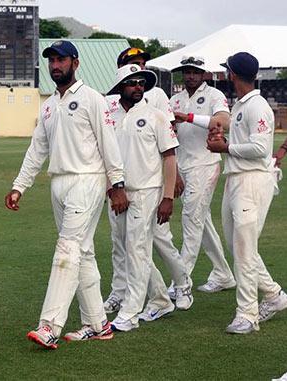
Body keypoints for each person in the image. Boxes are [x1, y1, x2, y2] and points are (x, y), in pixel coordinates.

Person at [5, 40, 128, 349]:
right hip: (59, 183)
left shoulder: (92, 99)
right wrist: (20, 185)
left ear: (75, 62)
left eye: (61, 60)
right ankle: (97, 324)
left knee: (67, 250)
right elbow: (38, 150)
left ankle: (49, 325)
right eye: (52, 61)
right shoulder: (48, 106)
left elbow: (108, 143)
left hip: (87, 181)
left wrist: (117, 185)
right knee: (82, 253)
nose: (55, 65)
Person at [104, 47, 193, 312]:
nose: (140, 72)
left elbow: (168, 141)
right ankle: (122, 291)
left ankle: (182, 283)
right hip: (121, 187)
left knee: (159, 242)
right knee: (123, 245)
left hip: (150, 185)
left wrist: (172, 182)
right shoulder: (112, 104)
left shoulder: (156, 97)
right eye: (133, 66)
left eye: (143, 66)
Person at [207, 52, 287, 334]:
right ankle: (274, 295)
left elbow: (261, 149)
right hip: (237, 178)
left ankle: (247, 314)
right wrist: (225, 142)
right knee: (238, 245)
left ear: (232, 74)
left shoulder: (258, 106)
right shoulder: (242, 105)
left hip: (252, 180)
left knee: (242, 249)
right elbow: (244, 142)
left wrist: (225, 148)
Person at [169, 56, 236, 293]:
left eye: (195, 72)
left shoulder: (214, 96)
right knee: (201, 221)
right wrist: (174, 172)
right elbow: (170, 137)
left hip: (205, 164)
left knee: (191, 219)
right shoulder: (175, 99)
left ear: (203, 74)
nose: (190, 76)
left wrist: (187, 117)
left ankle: (180, 281)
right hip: (183, 165)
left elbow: (223, 123)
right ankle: (223, 273)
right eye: (186, 72)